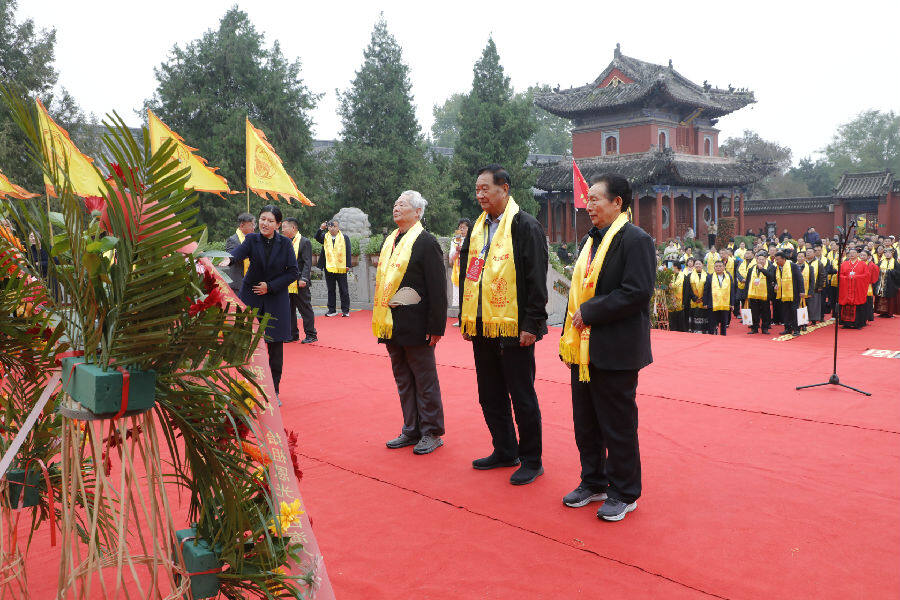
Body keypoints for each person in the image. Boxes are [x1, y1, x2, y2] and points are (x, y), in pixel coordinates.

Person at [558, 173, 654, 522]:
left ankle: (624, 492)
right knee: (586, 422)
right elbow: (580, 289)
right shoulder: (591, 240)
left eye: (595, 199)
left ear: (617, 203)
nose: (589, 205)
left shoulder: (636, 240)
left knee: (617, 425)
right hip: (583, 350)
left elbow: (637, 292)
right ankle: (593, 481)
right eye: (588, 199)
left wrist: (591, 312)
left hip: (616, 349)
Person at [458, 164, 548, 486]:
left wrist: (532, 323)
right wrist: (466, 317)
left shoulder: (525, 225)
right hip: (482, 323)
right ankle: (505, 449)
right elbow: (468, 273)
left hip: (514, 325)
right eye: (477, 190)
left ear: (505, 189)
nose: (480, 195)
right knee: (489, 393)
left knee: (521, 395)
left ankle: (532, 459)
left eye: (485, 189)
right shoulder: (478, 228)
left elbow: (536, 277)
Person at [375, 191, 448, 455]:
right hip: (391, 322)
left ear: (417, 212)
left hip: (417, 324)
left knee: (424, 379)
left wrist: (436, 327)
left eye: (402, 204)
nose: (396, 207)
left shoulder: (426, 242)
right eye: (395, 203)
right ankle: (411, 428)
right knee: (403, 378)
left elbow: (438, 287)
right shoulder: (391, 241)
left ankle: (431, 431)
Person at [227, 205, 299, 399]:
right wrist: (225, 260)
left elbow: (293, 272)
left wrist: (270, 286)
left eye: (270, 221)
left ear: (278, 224)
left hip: (275, 298)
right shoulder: (252, 239)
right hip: (251, 296)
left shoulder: (285, 244)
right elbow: (236, 255)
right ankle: (247, 388)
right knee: (246, 342)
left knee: (275, 345)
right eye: (262, 219)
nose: (265, 223)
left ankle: (273, 391)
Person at [281, 217, 317, 344]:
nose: (282, 230)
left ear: (293, 228)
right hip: (287, 282)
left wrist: (304, 278)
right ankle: (292, 334)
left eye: (284, 227)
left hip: (300, 282)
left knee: (305, 308)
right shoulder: (285, 242)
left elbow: (307, 262)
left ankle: (311, 334)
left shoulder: (304, 241)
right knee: (289, 309)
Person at [315, 219, 352, 317]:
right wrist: (321, 228)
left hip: (341, 267)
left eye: (334, 226)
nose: (332, 228)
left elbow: (348, 251)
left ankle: (345, 310)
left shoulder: (344, 237)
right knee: (331, 289)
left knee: (343, 289)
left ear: (338, 227)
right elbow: (316, 237)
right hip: (329, 267)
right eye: (330, 226)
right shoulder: (325, 237)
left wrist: (348, 265)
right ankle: (332, 310)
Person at [838, 247, 871, 329]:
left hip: (857, 289)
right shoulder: (844, 264)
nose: (852, 254)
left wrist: (855, 277)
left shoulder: (863, 264)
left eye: (854, 253)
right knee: (846, 305)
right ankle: (846, 323)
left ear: (858, 254)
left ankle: (858, 323)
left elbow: (866, 276)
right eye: (850, 253)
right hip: (846, 288)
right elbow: (840, 275)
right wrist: (847, 278)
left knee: (858, 305)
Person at [774, 251, 804, 336]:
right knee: (786, 312)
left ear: (783, 259)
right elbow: (777, 279)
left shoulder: (793, 266)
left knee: (794, 312)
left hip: (794, 293)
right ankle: (787, 329)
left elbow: (800, 278)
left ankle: (796, 330)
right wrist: (776, 284)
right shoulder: (778, 268)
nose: (776, 261)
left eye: (778, 259)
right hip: (783, 294)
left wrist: (802, 291)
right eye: (776, 260)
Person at [448, 218, 471, 327]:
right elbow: (451, 258)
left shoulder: (472, 238)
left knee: (469, 295)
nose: (462, 230)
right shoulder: (455, 240)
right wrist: (457, 251)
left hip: (469, 271)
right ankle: (460, 318)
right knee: (458, 296)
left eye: (464, 227)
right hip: (458, 271)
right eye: (460, 227)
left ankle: (469, 319)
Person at [224, 213, 255, 293]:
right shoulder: (233, 240)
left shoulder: (253, 239)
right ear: (242, 226)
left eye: (254, 225)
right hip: (238, 285)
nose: (254, 228)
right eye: (251, 225)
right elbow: (230, 258)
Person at [745, 254, 775, 334]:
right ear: (756, 260)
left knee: (765, 312)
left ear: (765, 260)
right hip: (753, 294)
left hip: (765, 294)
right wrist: (746, 293)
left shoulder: (770, 267)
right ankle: (754, 328)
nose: (761, 261)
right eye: (759, 259)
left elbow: (771, 277)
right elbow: (748, 281)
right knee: (754, 312)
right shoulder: (752, 268)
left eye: (762, 259)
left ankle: (765, 328)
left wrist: (762, 269)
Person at [706, 259, 734, 335]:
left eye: (720, 266)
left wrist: (732, 303)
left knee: (723, 323)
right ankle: (712, 335)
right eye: (716, 266)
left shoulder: (728, 277)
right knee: (712, 322)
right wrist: (705, 302)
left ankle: (723, 336)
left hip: (724, 303)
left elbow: (731, 290)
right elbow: (706, 290)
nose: (718, 268)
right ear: (714, 268)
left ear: (724, 267)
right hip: (713, 303)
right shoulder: (710, 277)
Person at [875, 247, 900, 317]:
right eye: (886, 253)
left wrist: (888, 271)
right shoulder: (881, 262)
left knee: (890, 298)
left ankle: (889, 313)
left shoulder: (895, 263)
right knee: (881, 297)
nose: (887, 254)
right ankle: (881, 312)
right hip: (881, 283)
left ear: (892, 254)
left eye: (889, 253)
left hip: (891, 284)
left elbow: (898, 273)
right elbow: (876, 270)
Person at [687, 258, 710, 334]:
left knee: (704, 316)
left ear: (702, 265)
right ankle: (694, 330)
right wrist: (694, 298)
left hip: (704, 300)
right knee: (694, 315)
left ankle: (704, 330)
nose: (698, 265)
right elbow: (689, 288)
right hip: (693, 300)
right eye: (696, 264)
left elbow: (708, 288)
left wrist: (703, 298)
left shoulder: (707, 275)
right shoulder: (690, 275)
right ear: (694, 265)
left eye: (699, 264)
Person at [668, 261, 688, 332]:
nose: (671, 268)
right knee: (672, 318)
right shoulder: (671, 276)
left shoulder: (684, 276)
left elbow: (686, 290)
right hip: (671, 300)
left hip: (680, 301)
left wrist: (684, 302)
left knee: (680, 319)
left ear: (675, 267)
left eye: (672, 267)